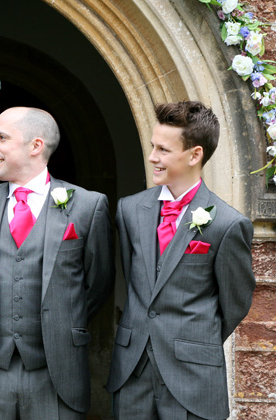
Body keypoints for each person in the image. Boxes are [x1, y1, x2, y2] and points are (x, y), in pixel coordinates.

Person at [0, 106, 114, 419]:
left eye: (1, 137)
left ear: (36, 146)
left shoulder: (87, 206)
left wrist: (60, 319)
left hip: (57, 373)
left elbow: (98, 283)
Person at [106, 101, 256, 420]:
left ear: (194, 155)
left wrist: (191, 339)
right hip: (132, 372)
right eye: (152, 147)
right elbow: (135, 278)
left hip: (193, 379)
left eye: (163, 149)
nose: (152, 157)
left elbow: (236, 303)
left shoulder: (228, 224)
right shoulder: (129, 211)